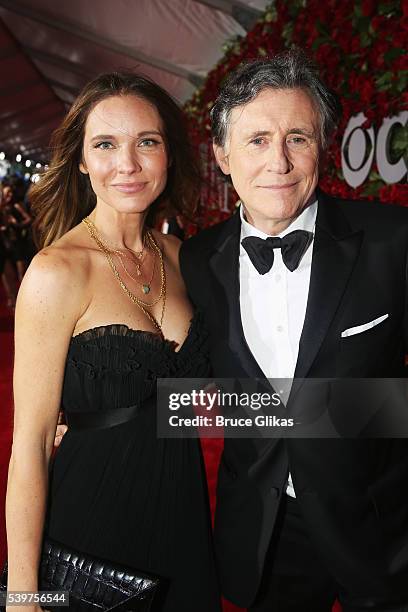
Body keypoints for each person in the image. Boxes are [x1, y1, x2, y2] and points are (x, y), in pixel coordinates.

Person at [179, 50, 408, 611]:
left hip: (381, 526)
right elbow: (203, 389)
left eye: (297, 138)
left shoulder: (393, 240)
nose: (278, 162)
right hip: (266, 530)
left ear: (322, 149)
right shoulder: (195, 260)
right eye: (257, 140)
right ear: (221, 155)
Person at [6, 72, 221, 612]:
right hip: (93, 518)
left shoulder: (183, 257)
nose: (127, 164)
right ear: (81, 160)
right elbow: (30, 444)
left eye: (146, 142)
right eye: (105, 144)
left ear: (168, 153)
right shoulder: (58, 272)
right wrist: (23, 594)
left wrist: (368, 409)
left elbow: (206, 401)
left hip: (182, 511)